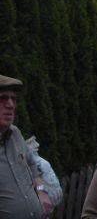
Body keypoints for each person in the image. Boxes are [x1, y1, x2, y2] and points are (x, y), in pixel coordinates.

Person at [0, 74, 53, 219]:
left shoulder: (15, 134)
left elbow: (32, 165)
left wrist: (41, 191)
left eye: (14, 99)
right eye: (3, 98)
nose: (11, 105)